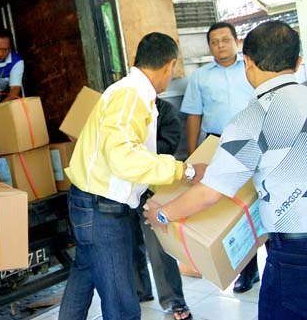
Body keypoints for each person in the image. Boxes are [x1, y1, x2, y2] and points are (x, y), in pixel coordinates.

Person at [145, 20, 306, 320]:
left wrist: (162, 214)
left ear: (247, 63)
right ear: (298, 63)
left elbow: (209, 193)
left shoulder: (252, 119)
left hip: (295, 252)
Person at [58, 32, 202, 320]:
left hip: (93, 203)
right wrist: (183, 170)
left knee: (83, 277)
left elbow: (127, 157)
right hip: (102, 210)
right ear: (169, 65)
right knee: (122, 303)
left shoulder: (134, 93)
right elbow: (124, 158)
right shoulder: (131, 94)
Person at [180, 22, 258, 293]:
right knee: (230, 207)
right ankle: (246, 270)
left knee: (256, 202)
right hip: (216, 145)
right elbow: (194, 115)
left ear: (236, 41)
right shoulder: (200, 77)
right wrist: (193, 155)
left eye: (226, 40)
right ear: (209, 46)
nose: (221, 45)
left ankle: (268, 262)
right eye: (215, 42)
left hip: (252, 140)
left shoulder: (251, 69)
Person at [132, 98, 193, 320]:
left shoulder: (166, 111)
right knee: (130, 243)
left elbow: (168, 147)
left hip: (153, 189)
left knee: (158, 247)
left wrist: (137, 150)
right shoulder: (125, 110)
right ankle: (140, 291)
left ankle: (174, 302)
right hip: (126, 188)